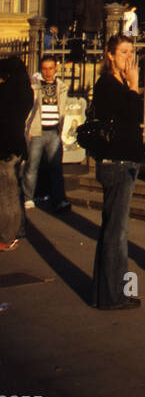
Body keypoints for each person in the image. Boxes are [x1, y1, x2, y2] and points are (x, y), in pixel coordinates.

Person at [90, 34, 145, 310]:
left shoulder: (115, 83)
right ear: (110, 55)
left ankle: (105, 292)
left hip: (121, 162)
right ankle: (115, 295)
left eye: (131, 52)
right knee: (117, 232)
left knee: (113, 228)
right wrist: (134, 87)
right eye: (123, 52)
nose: (129, 57)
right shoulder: (109, 84)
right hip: (118, 163)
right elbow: (131, 116)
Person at [23, 55, 71, 213]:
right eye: (44, 68)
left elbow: (62, 109)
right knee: (32, 165)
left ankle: (59, 199)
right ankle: (27, 198)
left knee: (56, 167)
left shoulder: (61, 86)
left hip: (53, 131)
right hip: (37, 130)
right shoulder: (34, 86)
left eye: (51, 68)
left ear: (56, 68)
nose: (48, 72)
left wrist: (61, 130)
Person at [0, 56, 33, 252]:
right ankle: (15, 231)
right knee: (13, 192)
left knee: (5, 194)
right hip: (18, 146)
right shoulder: (26, 91)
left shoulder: (5, 91)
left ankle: (6, 236)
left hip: (4, 146)